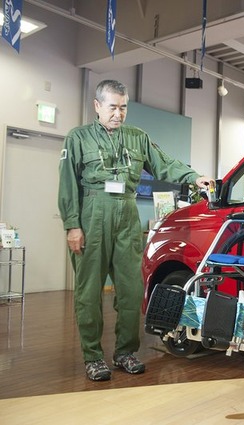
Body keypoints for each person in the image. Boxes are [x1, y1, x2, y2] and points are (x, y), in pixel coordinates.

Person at [58, 80, 214, 381]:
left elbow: (164, 164)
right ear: (97, 106)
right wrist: (72, 225)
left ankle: (125, 352)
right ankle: (92, 356)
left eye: (123, 107)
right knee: (88, 292)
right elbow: (67, 183)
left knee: (131, 290)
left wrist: (194, 177)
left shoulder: (138, 137)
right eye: (113, 107)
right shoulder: (78, 138)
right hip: (92, 213)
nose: (118, 114)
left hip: (126, 214)